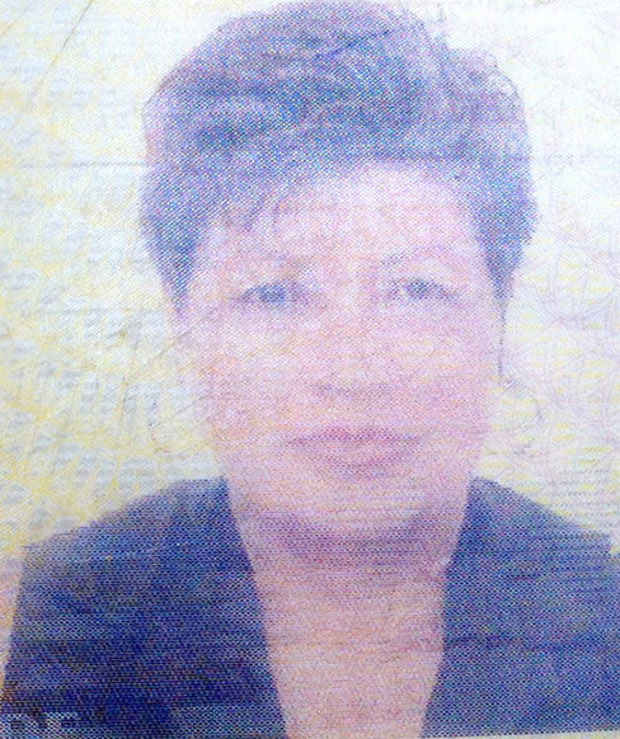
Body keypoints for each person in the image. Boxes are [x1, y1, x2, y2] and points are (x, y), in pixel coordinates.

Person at [1, 1, 618, 737]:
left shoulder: (601, 613)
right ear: (182, 316)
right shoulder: (72, 614)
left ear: (500, 309)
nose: (352, 370)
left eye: (416, 290)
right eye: (274, 294)